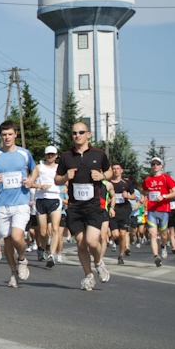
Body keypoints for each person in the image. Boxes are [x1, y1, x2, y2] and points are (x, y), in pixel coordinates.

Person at [54, 122, 112, 290]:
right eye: (74, 133)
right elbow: (57, 180)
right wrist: (66, 177)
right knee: (81, 243)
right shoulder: (66, 156)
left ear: (88, 134)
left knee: (92, 242)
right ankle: (88, 276)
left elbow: (109, 171)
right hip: (75, 207)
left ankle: (99, 263)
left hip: (93, 205)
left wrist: (102, 176)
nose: (77, 135)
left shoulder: (98, 154)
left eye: (81, 132)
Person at [0, 121, 37, 288]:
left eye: (10, 134)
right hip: (2, 204)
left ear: (15, 135)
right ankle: (13, 273)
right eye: (4, 134)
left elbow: (35, 169)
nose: (7, 137)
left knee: (16, 237)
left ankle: (22, 259)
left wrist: (31, 180)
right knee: (7, 241)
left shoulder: (24, 153)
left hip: (21, 202)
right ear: (1, 136)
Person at [142, 157, 175, 267]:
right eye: (153, 164)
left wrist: (164, 196)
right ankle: (156, 256)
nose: (155, 166)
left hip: (164, 210)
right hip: (152, 210)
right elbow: (143, 191)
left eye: (157, 164)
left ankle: (163, 246)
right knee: (153, 234)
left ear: (161, 166)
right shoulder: (148, 179)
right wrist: (143, 198)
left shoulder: (166, 178)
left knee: (164, 234)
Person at [33, 145, 63, 268]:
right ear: (45, 155)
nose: (50, 156)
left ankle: (51, 255)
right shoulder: (39, 167)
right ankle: (43, 247)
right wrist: (40, 186)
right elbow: (30, 182)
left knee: (55, 228)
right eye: (48, 154)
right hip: (41, 199)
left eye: (52, 154)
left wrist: (66, 186)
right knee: (43, 231)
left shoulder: (60, 168)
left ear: (56, 156)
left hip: (55, 198)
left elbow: (65, 180)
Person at [108, 163, 136, 265]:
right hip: (113, 211)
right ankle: (117, 241)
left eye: (117, 169)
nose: (116, 170)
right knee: (115, 235)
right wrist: (108, 200)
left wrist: (127, 196)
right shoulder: (108, 183)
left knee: (123, 234)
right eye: (114, 169)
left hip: (124, 210)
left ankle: (121, 256)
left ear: (121, 170)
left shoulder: (126, 182)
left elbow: (134, 196)